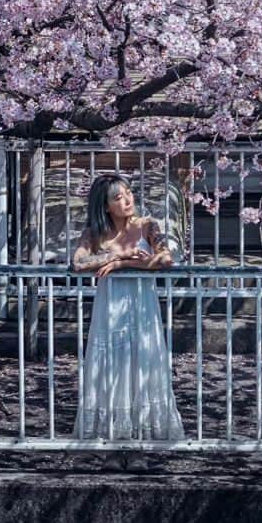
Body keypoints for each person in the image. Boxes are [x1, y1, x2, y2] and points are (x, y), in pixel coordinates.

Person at [72, 173, 185, 441]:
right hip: (110, 307)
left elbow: (165, 258)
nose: (126, 200)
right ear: (105, 206)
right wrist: (119, 254)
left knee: (143, 361)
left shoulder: (148, 225)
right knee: (112, 365)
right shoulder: (94, 233)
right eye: (117, 197)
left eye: (128, 193)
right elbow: (77, 263)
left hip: (141, 304)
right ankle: (112, 439)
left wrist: (123, 265)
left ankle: (142, 440)